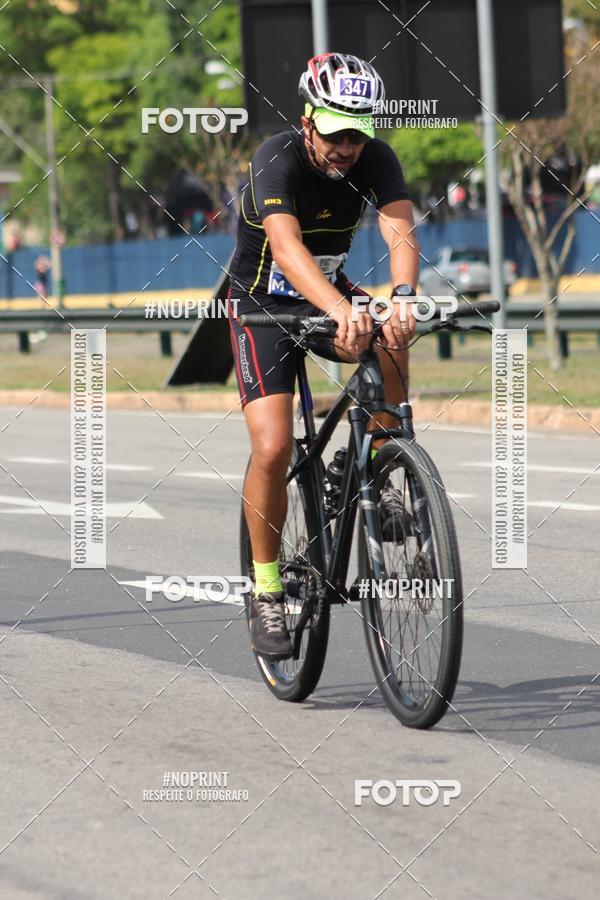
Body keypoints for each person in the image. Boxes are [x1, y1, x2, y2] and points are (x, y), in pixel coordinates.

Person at [227, 52, 419, 659]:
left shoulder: (375, 159)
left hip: (328, 294)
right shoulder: (275, 160)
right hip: (263, 306)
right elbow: (285, 250)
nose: (346, 147)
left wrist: (404, 296)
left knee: (389, 332)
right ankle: (265, 590)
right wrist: (340, 309)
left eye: (357, 135)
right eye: (336, 132)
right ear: (308, 120)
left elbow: (399, 229)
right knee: (274, 447)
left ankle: (380, 464)